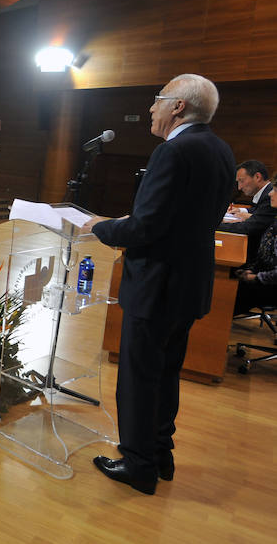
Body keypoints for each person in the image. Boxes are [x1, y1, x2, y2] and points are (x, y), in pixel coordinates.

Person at [86, 74, 235, 495]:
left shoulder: (173, 151)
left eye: (157, 100)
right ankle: (160, 453)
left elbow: (147, 226)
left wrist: (103, 226)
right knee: (165, 374)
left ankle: (138, 465)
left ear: (178, 107)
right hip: (188, 286)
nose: (151, 108)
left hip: (156, 285)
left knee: (138, 377)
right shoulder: (220, 149)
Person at [233, 180, 277, 314]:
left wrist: (255, 277)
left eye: (275, 190)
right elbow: (264, 254)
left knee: (226, 293)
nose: (270, 194)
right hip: (262, 275)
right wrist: (250, 269)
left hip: (270, 286)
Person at [218, 160, 276, 259]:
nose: (239, 187)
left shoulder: (269, 197)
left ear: (257, 177)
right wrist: (242, 211)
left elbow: (248, 227)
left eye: (242, 181)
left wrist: (216, 225)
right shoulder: (266, 194)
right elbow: (258, 211)